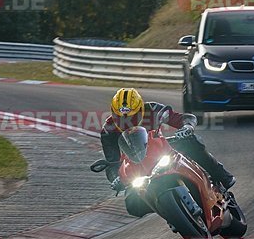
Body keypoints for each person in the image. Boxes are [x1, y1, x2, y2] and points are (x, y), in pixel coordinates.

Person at [100, 89, 235, 214]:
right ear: (112, 112)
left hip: (162, 148)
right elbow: (112, 161)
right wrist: (117, 179)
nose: (127, 121)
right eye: (121, 117)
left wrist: (187, 127)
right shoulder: (108, 130)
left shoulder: (153, 109)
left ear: (141, 109)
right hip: (137, 165)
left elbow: (183, 118)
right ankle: (167, 209)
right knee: (132, 206)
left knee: (190, 141)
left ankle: (221, 175)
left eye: (132, 117)